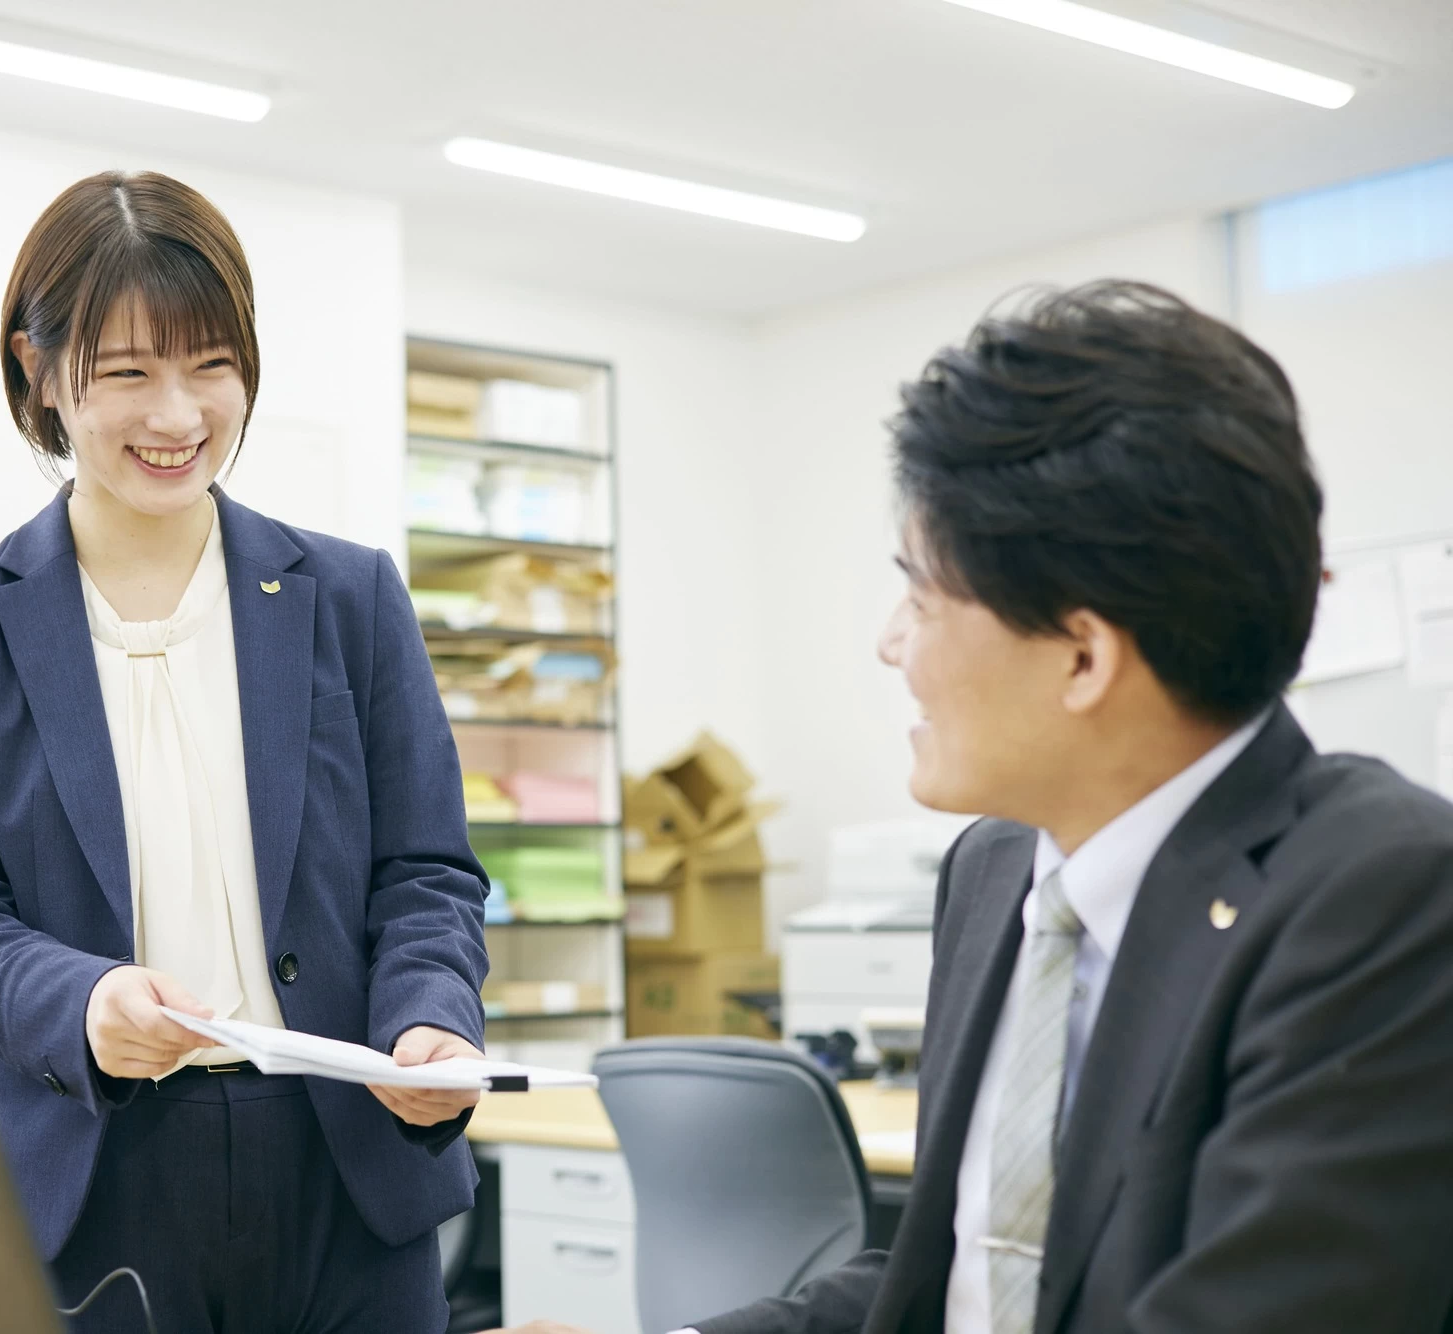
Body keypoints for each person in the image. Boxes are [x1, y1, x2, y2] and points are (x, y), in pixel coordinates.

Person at [500, 282, 1453, 1334]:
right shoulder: (996, 869)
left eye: (919, 595)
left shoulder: (1385, 896)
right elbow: (943, 1279)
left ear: (1082, 656)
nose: (888, 643)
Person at [0, 170, 490, 1333]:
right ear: (38, 371)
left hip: (344, 1165)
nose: (177, 414)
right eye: (127, 372)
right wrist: (85, 998)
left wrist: (429, 1013)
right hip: (94, 1170)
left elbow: (425, 871)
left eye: (210, 363)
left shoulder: (348, 597)